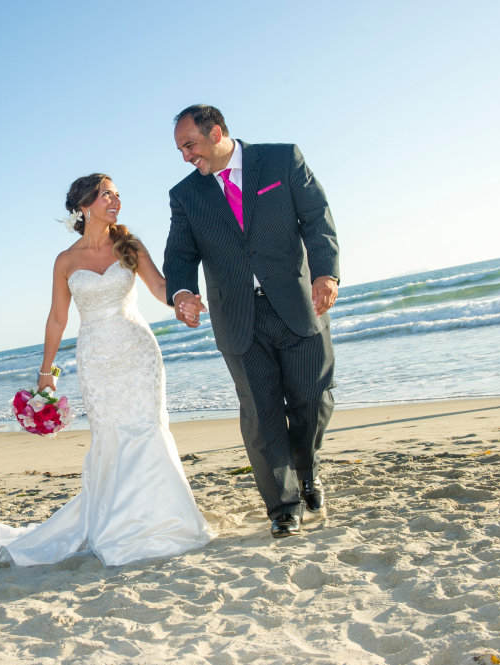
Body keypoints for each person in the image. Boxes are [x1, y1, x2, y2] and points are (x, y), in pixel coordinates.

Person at [0, 174, 214, 567]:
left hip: (138, 352)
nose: (115, 200)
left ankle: (166, 520)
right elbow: (58, 319)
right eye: (106, 194)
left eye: (117, 194)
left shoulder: (129, 245)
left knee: (147, 427)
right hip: (95, 359)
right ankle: (118, 525)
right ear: (84, 205)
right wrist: (46, 374)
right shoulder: (66, 261)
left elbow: (160, 287)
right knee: (110, 436)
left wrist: (182, 301)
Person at [164, 104, 340, 538]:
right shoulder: (186, 195)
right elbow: (180, 253)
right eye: (181, 149)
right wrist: (182, 292)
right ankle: (283, 505)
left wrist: (326, 273)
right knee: (261, 416)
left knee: (314, 398)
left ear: (217, 132)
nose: (186, 156)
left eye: (190, 145)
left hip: (299, 305)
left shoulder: (282, 159)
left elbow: (316, 218)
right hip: (238, 318)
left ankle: (308, 469)